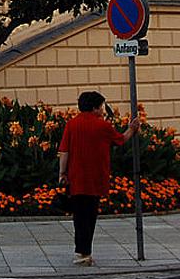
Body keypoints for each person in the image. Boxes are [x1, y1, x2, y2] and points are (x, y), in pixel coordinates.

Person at [58, 90, 141, 266]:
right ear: (95, 108)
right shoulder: (102, 126)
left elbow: (64, 151)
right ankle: (84, 253)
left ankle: (82, 251)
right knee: (90, 216)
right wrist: (132, 129)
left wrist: (62, 173)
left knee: (79, 217)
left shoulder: (71, 124)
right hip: (96, 178)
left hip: (76, 178)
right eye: (101, 107)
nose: (103, 110)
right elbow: (121, 139)